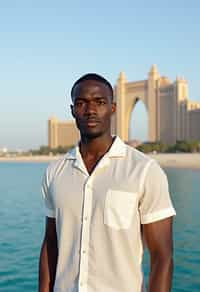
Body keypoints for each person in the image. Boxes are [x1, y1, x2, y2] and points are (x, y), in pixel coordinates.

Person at [39, 73, 176, 292]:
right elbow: (51, 245)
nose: (91, 110)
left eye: (99, 102)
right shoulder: (55, 172)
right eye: (82, 103)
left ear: (113, 108)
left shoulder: (144, 171)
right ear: (73, 110)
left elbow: (162, 257)